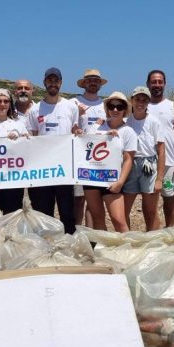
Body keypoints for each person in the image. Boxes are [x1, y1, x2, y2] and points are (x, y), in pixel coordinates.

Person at [27, 67, 79, 234]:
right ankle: (46, 248)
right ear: (44, 83)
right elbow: (32, 138)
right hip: (43, 170)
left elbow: (76, 132)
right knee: (43, 213)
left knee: (67, 212)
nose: (53, 83)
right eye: (50, 80)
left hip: (65, 169)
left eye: (56, 80)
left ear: (61, 83)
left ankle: (70, 244)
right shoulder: (34, 110)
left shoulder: (71, 107)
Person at [82, 91, 136, 232]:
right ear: (107, 108)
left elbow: (128, 159)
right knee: (97, 217)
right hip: (91, 179)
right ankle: (102, 249)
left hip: (112, 179)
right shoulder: (96, 127)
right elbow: (85, 144)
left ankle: (129, 251)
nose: (115, 110)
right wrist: (105, 135)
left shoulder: (128, 131)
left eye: (120, 106)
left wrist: (120, 182)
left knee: (118, 220)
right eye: (112, 106)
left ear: (125, 109)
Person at [123, 87, 166, 231]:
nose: (140, 103)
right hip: (129, 164)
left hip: (149, 164)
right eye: (137, 99)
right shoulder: (125, 121)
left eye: (144, 100)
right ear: (132, 100)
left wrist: (159, 178)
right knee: (124, 209)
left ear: (148, 102)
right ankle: (126, 241)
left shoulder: (154, 122)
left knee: (150, 210)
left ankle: (154, 241)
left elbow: (161, 149)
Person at [70, 69, 109, 228]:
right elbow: (68, 126)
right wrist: (75, 124)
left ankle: (91, 232)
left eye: (96, 80)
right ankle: (76, 229)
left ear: (100, 83)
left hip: (99, 157)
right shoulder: (73, 102)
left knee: (95, 199)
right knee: (78, 198)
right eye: (89, 80)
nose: (93, 82)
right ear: (84, 83)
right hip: (79, 157)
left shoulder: (106, 104)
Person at [146, 70, 174, 227]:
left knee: (168, 196)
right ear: (148, 84)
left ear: (164, 84)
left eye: (160, 81)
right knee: (149, 198)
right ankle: (152, 230)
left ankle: (169, 229)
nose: (157, 85)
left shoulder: (172, 106)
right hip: (147, 161)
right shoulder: (141, 105)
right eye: (153, 82)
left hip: (168, 161)